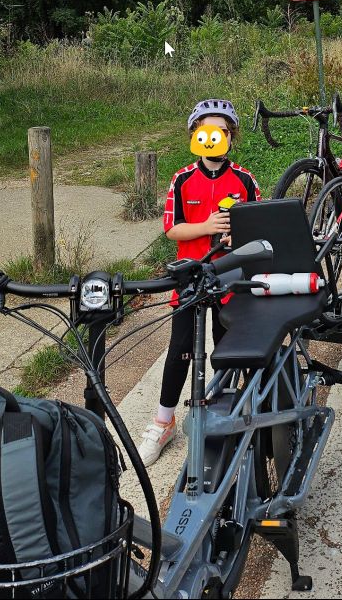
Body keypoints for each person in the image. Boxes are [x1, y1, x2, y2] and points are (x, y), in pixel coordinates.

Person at [136, 99, 261, 466]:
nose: (213, 138)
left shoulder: (244, 179)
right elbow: (172, 228)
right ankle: (164, 421)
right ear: (195, 136)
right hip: (190, 274)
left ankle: (227, 412)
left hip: (229, 275)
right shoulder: (182, 179)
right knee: (180, 351)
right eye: (205, 131)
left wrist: (241, 236)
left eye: (220, 131)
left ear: (230, 136)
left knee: (227, 348)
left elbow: (258, 227)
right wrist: (206, 227)